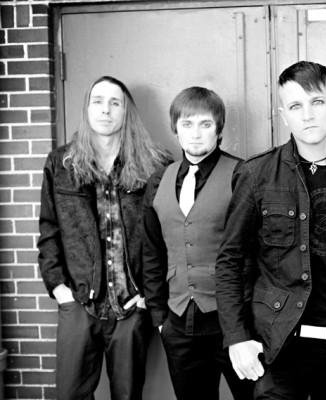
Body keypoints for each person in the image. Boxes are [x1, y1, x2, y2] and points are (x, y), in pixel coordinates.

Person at [216, 61, 326, 400]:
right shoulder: (256, 174)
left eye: (317, 102)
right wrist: (236, 338)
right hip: (279, 346)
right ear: (284, 115)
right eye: (296, 106)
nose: (308, 115)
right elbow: (229, 262)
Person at [38, 76, 169, 400]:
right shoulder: (61, 163)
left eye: (115, 102)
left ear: (126, 112)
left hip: (131, 306)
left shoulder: (155, 165)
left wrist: (149, 294)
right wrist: (59, 288)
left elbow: (169, 233)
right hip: (79, 301)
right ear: (87, 109)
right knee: (70, 394)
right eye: (97, 101)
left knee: (127, 394)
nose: (105, 110)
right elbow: (49, 230)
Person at [143, 87, 254, 400]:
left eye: (205, 124)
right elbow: (151, 252)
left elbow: (254, 251)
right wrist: (160, 318)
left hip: (233, 324)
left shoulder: (241, 174)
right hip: (178, 324)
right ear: (175, 129)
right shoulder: (158, 181)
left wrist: (247, 319)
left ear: (218, 130)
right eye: (187, 124)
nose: (195, 133)